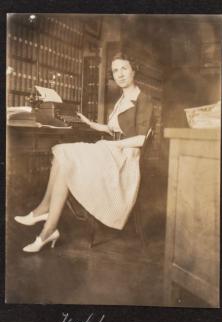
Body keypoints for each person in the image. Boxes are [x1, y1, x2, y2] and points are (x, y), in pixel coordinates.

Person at [15, 52, 155, 253]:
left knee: (64, 154)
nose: (120, 74)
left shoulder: (143, 99)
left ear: (134, 70)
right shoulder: (122, 99)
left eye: (124, 68)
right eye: (115, 70)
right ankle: (48, 228)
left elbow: (141, 139)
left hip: (125, 158)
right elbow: (111, 129)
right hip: (112, 151)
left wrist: (114, 145)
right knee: (63, 154)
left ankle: (44, 216)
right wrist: (90, 124)